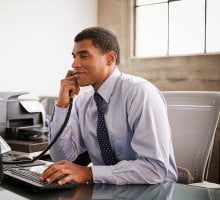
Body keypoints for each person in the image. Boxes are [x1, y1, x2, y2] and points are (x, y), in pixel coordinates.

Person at [40, 27, 177, 185]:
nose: (74, 64)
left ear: (110, 59)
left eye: (84, 56)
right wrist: (62, 105)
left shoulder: (140, 93)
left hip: (155, 190)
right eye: (74, 56)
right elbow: (62, 158)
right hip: (110, 190)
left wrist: (90, 173)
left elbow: (154, 169)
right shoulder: (83, 102)